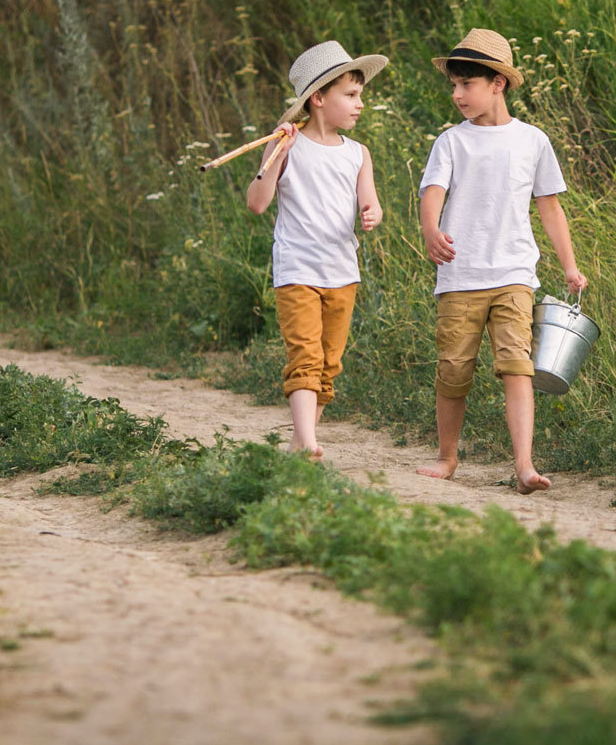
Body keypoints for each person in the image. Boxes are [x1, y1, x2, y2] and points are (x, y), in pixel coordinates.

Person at [415, 27, 586, 493]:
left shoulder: (532, 141)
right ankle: (448, 457)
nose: (456, 94)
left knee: (517, 366)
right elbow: (432, 194)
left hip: (514, 274)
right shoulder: (452, 142)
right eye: (453, 85)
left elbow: (550, 207)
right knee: (453, 369)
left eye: (466, 84)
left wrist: (569, 266)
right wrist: (431, 229)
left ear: (498, 83)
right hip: (459, 276)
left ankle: (525, 466)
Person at [245, 40, 387, 460]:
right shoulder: (287, 145)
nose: (360, 103)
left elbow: (370, 200)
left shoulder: (358, 153)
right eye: (351, 94)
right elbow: (256, 203)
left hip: (343, 271)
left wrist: (372, 212)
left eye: (360, 94)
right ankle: (307, 439)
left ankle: (300, 441)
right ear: (319, 98)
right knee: (305, 355)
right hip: (298, 270)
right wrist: (275, 152)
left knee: (328, 363)